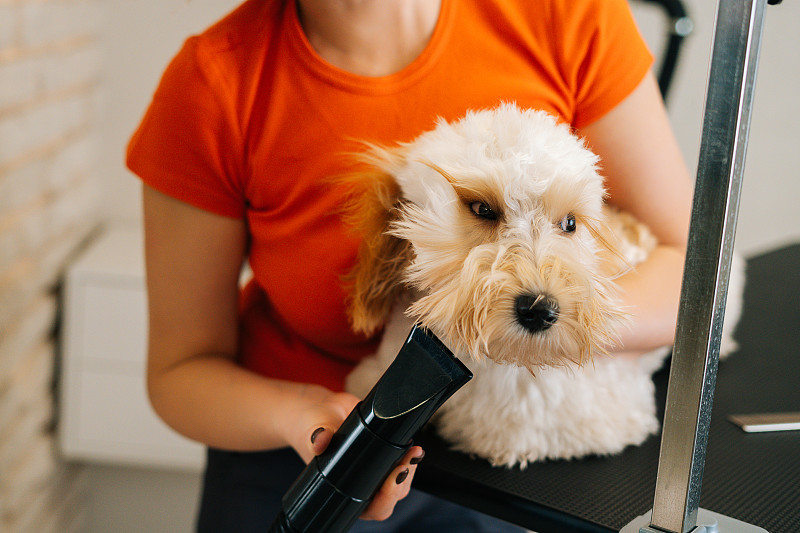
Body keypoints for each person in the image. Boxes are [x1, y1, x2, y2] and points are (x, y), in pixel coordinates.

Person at [126, 0, 693, 531]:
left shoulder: (565, 13)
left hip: (510, 461)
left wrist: (541, 322)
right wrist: (301, 416)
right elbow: (180, 372)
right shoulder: (213, 84)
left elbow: (694, 273)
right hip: (309, 454)